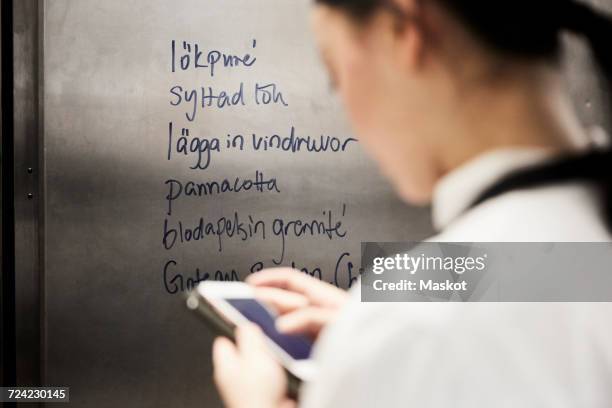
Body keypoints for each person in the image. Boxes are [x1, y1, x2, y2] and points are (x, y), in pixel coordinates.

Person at [211, 0, 612, 407]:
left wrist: (381, 341)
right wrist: (379, 318)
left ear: (402, 29)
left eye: (335, 75)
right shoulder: (586, 233)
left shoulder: (407, 332)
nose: (346, 109)